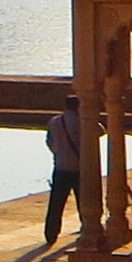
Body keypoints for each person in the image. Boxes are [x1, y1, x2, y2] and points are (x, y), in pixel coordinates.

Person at [40, 97, 81, 245]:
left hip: (60, 166)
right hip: (77, 167)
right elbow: (100, 130)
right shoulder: (80, 121)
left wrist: (58, 153)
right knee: (83, 201)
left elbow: (49, 141)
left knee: (56, 203)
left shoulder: (55, 121)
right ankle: (88, 228)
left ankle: (51, 233)